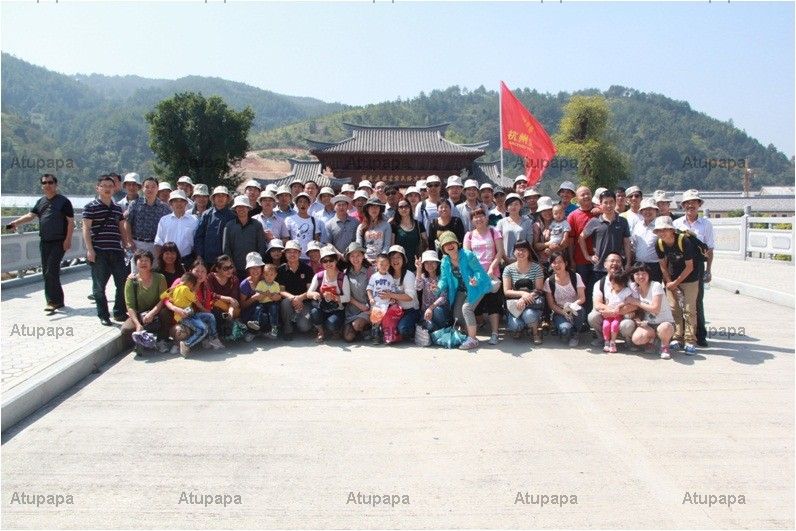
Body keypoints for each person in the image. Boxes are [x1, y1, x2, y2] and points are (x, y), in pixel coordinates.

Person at [7, 173, 74, 312]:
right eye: (44, 183)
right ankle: (58, 301)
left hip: (59, 241)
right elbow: (31, 215)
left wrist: (68, 240)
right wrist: (15, 223)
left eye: (50, 182)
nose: (47, 185)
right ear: (41, 186)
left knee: (51, 270)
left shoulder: (63, 201)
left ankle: (53, 302)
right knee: (47, 272)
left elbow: (70, 222)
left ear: (56, 185)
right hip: (44, 241)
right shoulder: (41, 201)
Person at [83, 174, 132, 325]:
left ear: (114, 189)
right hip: (99, 251)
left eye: (110, 186)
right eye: (104, 186)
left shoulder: (117, 208)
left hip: (116, 250)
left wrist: (126, 244)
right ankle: (103, 315)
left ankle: (119, 312)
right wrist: (90, 250)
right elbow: (86, 229)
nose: (107, 189)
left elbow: (121, 228)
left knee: (122, 283)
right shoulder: (90, 207)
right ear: (98, 188)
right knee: (99, 286)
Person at [673, 189, 714, 348]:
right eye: (687, 203)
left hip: (697, 266)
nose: (690, 205)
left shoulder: (706, 224)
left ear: (699, 204)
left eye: (694, 202)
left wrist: (708, 270)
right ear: (683, 205)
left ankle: (699, 334)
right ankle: (681, 334)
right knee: (679, 302)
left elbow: (709, 249)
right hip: (679, 265)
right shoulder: (677, 224)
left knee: (696, 301)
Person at [437, 231, 492, 350]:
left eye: (452, 242)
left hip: (476, 287)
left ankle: (472, 339)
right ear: (443, 248)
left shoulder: (468, 255)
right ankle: (467, 335)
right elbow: (444, 279)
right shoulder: (445, 261)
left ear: (457, 243)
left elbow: (478, 271)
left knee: (466, 308)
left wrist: (475, 280)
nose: (450, 245)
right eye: (446, 244)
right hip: (461, 289)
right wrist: (438, 287)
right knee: (457, 315)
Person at [655, 216, 699, 355]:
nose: (662, 233)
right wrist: (669, 282)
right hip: (672, 278)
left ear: (671, 230)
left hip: (690, 278)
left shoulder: (683, 240)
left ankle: (690, 340)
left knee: (689, 309)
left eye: (665, 229)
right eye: (659, 230)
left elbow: (690, 266)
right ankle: (677, 337)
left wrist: (676, 283)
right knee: (674, 308)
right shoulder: (659, 243)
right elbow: (663, 265)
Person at [463, 208, 504, 345]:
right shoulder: (469, 235)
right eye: (475, 217)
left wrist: (492, 267)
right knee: (476, 305)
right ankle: (479, 326)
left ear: (486, 218)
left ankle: (495, 333)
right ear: (472, 220)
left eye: (481, 216)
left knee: (493, 304)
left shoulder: (494, 231)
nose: (478, 219)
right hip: (477, 276)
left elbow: (500, 252)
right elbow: (467, 256)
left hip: (492, 274)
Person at [161, 271, 223, 357]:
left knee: (210, 316)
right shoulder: (185, 289)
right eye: (193, 285)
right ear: (190, 284)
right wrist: (204, 308)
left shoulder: (174, 289)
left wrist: (172, 289)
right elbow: (194, 299)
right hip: (185, 317)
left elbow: (162, 296)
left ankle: (213, 338)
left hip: (190, 315)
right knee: (203, 329)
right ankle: (187, 344)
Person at [121, 249, 171, 354]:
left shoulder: (160, 278)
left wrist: (152, 313)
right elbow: (130, 306)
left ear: (151, 263)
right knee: (126, 329)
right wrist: (137, 324)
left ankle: (162, 340)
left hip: (156, 312)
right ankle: (141, 340)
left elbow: (163, 299)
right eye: (140, 260)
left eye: (146, 260)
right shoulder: (131, 281)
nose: (143, 263)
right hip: (139, 314)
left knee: (165, 312)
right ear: (136, 263)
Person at [579, 190, 632, 286]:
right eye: (605, 203)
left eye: (611, 202)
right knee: (597, 292)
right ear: (600, 204)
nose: (609, 205)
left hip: (617, 267)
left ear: (615, 203)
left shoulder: (623, 221)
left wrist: (628, 262)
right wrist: (587, 256)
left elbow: (626, 243)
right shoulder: (595, 221)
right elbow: (581, 237)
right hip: (599, 267)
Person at [587, 253, 638, 345]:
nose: (615, 263)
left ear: (621, 265)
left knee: (627, 324)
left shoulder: (629, 283)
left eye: (618, 261)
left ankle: (628, 341)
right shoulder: (599, 283)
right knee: (593, 316)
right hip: (607, 315)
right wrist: (611, 311)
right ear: (605, 264)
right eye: (612, 261)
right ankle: (603, 339)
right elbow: (597, 304)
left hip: (624, 316)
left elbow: (635, 305)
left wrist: (615, 312)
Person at [123, 176, 171, 273]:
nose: (150, 189)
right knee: (137, 274)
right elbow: (127, 222)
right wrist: (129, 241)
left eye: (153, 187)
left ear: (157, 189)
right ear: (142, 188)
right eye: (147, 187)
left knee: (155, 273)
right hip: (138, 244)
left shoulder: (164, 208)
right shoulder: (134, 204)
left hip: (156, 246)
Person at [629, 262, 675, 359]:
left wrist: (637, 302)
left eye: (644, 273)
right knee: (637, 339)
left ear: (649, 274)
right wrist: (637, 319)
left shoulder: (656, 285)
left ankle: (665, 346)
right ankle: (654, 340)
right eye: (637, 274)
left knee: (665, 327)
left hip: (664, 323)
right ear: (633, 276)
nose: (641, 276)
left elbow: (655, 309)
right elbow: (637, 310)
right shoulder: (635, 290)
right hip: (649, 324)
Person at [502, 240, 545, 344]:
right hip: (515, 304)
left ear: (529, 252)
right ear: (514, 252)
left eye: (524, 250)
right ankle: (521, 328)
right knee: (514, 326)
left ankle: (535, 333)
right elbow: (506, 291)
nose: (521, 252)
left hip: (532, 302)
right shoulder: (508, 269)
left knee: (529, 315)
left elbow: (539, 290)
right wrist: (523, 294)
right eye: (518, 250)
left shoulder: (537, 268)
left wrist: (525, 299)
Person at [567, 186, 599, 317]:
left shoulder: (600, 211)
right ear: (576, 198)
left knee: (598, 289)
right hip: (580, 260)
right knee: (582, 289)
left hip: (600, 259)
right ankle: (583, 318)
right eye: (582, 195)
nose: (586, 196)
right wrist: (571, 260)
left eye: (588, 194)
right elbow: (570, 241)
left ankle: (597, 316)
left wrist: (600, 209)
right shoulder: (573, 216)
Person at [307, 247, 351, 341]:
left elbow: (347, 298)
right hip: (322, 307)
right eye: (325, 261)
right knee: (314, 311)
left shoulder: (342, 277)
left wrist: (334, 297)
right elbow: (309, 293)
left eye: (331, 260)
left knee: (332, 324)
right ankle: (321, 332)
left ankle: (335, 330)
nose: (328, 263)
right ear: (322, 263)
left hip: (337, 309)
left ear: (336, 261)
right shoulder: (319, 276)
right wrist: (315, 294)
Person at [543, 252, 586, 347]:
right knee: (565, 331)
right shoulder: (549, 281)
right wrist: (564, 312)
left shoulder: (576, 277)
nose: (557, 265)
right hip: (560, 311)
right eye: (554, 262)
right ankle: (563, 329)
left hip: (575, 308)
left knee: (580, 310)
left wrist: (571, 307)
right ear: (551, 264)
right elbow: (551, 304)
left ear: (566, 263)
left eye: (560, 262)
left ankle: (576, 333)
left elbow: (582, 298)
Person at [277, 240, 315, 339]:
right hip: (289, 301)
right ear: (285, 254)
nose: (292, 254)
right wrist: (293, 298)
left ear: (299, 253)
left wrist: (300, 298)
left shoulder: (307, 269)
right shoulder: (281, 270)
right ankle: (288, 329)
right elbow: (281, 290)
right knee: (285, 302)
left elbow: (310, 290)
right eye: (289, 252)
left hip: (304, 301)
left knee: (304, 327)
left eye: (295, 251)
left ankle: (296, 320)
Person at [223, 195, 267, 280]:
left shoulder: (257, 225)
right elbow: (226, 247)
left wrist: (257, 265)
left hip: (253, 268)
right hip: (235, 267)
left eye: (244, 207)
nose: (241, 209)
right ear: (235, 209)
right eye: (238, 207)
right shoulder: (229, 225)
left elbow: (261, 246)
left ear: (248, 208)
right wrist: (231, 265)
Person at [154, 190, 199, 268]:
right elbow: (158, 242)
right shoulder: (164, 220)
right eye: (175, 201)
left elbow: (197, 242)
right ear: (171, 203)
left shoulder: (194, 220)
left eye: (182, 201)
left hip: (188, 260)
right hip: (168, 261)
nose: (179, 203)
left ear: (186, 203)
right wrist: (160, 261)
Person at [240, 254, 281, 339]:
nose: (255, 270)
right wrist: (254, 298)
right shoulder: (245, 284)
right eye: (252, 268)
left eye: (258, 267)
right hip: (251, 311)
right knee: (261, 314)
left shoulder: (267, 277)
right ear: (248, 269)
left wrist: (277, 297)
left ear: (261, 268)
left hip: (266, 306)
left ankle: (266, 330)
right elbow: (242, 306)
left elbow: (278, 292)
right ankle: (253, 332)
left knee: (273, 310)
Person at [194, 186, 235, 266]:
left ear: (227, 199)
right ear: (214, 198)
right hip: (207, 258)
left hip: (225, 259)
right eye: (218, 195)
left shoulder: (232, 216)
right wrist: (199, 255)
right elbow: (199, 236)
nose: (220, 198)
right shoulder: (207, 214)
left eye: (223, 195)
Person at [206, 254, 244, 340]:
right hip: (215, 307)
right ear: (217, 269)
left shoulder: (234, 279)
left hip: (229, 308)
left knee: (230, 313)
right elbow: (210, 294)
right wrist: (227, 298)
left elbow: (234, 298)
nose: (230, 270)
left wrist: (230, 312)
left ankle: (229, 328)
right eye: (225, 268)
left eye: (231, 267)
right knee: (215, 308)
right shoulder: (210, 277)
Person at [387, 245, 420, 341]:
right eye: (392, 258)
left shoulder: (409, 275)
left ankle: (415, 326)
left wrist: (391, 295)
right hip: (395, 310)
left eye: (398, 257)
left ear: (403, 259)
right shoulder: (388, 275)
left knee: (403, 329)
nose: (395, 260)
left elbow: (410, 297)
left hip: (411, 310)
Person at [599, 270, 636, 353]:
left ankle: (613, 342)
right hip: (609, 314)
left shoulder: (626, 291)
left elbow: (628, 301)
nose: (612, 285)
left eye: (614, 283)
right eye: (611, 282)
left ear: (621, 283)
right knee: (606, 325)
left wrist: (619, 306)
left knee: (614, 325)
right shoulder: (610, 291)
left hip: (618, 315)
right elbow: (607, 303)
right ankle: (606, 342)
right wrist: (606, 310)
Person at [366, 253, 400, 344]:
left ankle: (386, 335)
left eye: (386, 265)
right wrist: (371, 298)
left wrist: (393, 298)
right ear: (376, 265)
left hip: (387, 303)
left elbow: (393, 290)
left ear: (389, 265)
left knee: (386, 320)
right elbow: (369, 289)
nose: (384, 267)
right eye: (381, 264)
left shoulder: (390, 277)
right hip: (376, 303)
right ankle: (375, 336)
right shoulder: (374, 277)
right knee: (376, 320)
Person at [343, 242, 372, 342]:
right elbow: (346, 294)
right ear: (349, 258)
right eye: (352, 256)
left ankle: (368, 328)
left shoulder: (370, 271)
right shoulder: (345, 273)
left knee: (356, 325)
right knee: (348, 337)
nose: (355, 259)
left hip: (367, 310)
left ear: (363, 256)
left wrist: (371, 308)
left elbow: (375, 292)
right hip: (352, 311)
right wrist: (360, 305)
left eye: (358, 255)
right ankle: (361, 330)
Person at [414, 250, 450, 332]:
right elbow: (418, 287)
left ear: (437, 263)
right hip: (425, 311)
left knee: (437, 311)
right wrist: (418, 269)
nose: (430, 265)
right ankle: (436, 331)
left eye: (432, 262)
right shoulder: (423, 277)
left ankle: (441, 330)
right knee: (429, 327)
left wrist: (431, 308)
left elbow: (443, 297)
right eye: (427, 263)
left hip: (440, 310)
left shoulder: (442, 278)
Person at [630, 198, 663, 282]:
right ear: (641, 212)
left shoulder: (660, 225)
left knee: (654, 288)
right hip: (638, 264)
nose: (647, 212)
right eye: (645, 209)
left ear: (656, 211)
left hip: (655, 266)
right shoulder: (638, 225)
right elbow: (634, 245)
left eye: (650, 209)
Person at [496, 193, 533, 266]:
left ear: (521, 206)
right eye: (510, 204)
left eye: (516, 204)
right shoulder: (501, 222)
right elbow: (498, 244)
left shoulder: (528, 222)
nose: (513, 207)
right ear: (506, 207)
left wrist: (521, 258)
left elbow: (529, 243)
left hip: (523, 260)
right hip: (505, 261)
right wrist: (506, 259)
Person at [390, 199, 426, 272]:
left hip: (417, 264)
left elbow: (426, 244)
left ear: (410, 208)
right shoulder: (394, 225)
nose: (404, 209)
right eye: (401, 207)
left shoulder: (419, 224)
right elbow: (392, 246)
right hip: (400, 266)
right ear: (398, 209)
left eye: (406, 206)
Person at [285, 192, 321, 261]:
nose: (302, 204)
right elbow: (286, 238)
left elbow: (316, 238)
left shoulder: (314, 220)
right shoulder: (289, 219)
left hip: (310, 257)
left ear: (309, 204)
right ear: (296, 204)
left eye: (305, 202)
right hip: (294, 256)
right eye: (300, 202)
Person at [357, 197, 392, 262]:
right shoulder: (361, 226)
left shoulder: (386, 225)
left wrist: (381, 259)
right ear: (367, 209)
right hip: (365, 260)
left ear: (380, 209)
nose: (374, 209)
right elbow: (359, 245)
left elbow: (387, 245)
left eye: (377, 207)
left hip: (381, 261)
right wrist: (364, 259)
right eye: (371, 206)